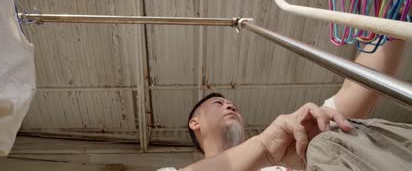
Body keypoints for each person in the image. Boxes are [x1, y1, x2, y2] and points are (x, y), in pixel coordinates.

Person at [158, 38, 408, 171]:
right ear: (195, 122)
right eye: (218, 103)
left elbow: (359, 89)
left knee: (333, 138)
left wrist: (392, 15)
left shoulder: (292, 147)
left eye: (232, 103)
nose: (230, 105)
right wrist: (264, 147)